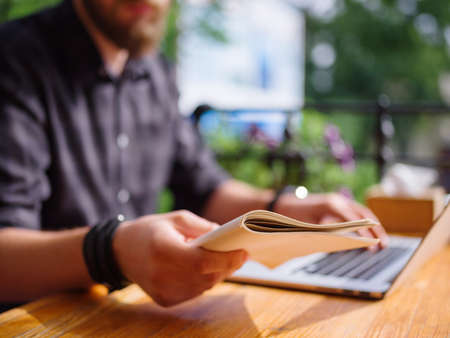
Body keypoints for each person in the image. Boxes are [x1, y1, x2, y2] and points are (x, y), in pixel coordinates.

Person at [0, 0, 388, 310]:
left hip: (125, 315)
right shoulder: (15, 60)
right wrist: (114, 250)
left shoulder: (154, 73)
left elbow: (204, 187)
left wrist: (286, 209)